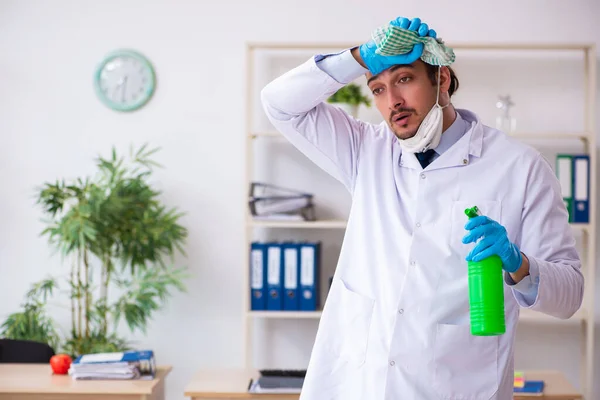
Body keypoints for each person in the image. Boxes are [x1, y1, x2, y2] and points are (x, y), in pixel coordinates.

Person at [260, 16, 584, 400]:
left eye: (404, 79)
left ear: (442, 80)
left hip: (458, 387)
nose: (392, 101)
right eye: (378, 88)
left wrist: (520, 265)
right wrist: (360, 57)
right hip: (359, 385)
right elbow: (279, 104)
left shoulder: (520, 167)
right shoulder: (366, 150)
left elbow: (571, 295)